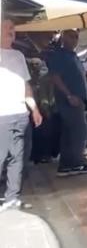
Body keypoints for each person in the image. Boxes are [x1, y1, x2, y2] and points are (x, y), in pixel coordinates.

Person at [0, 19, 44, 211]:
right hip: (2, 115)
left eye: (12, 28)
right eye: (6, 27)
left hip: (20, 114)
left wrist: (34, 109)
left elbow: (26, 85)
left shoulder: (19, 56)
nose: (11, 31)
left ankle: (12, 198)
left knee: (18, 158)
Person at [43, 30, 87, 177]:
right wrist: (69, 95)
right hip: (69, 99)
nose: (75, 40)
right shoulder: (60, 55)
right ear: (64, 38)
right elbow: (55, 77)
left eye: (76, 37)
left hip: (77, 99)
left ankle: (67, 165)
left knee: (69, 132)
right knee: (79, 131)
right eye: (71, 36)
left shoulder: (72, 55)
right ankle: (76, 162)